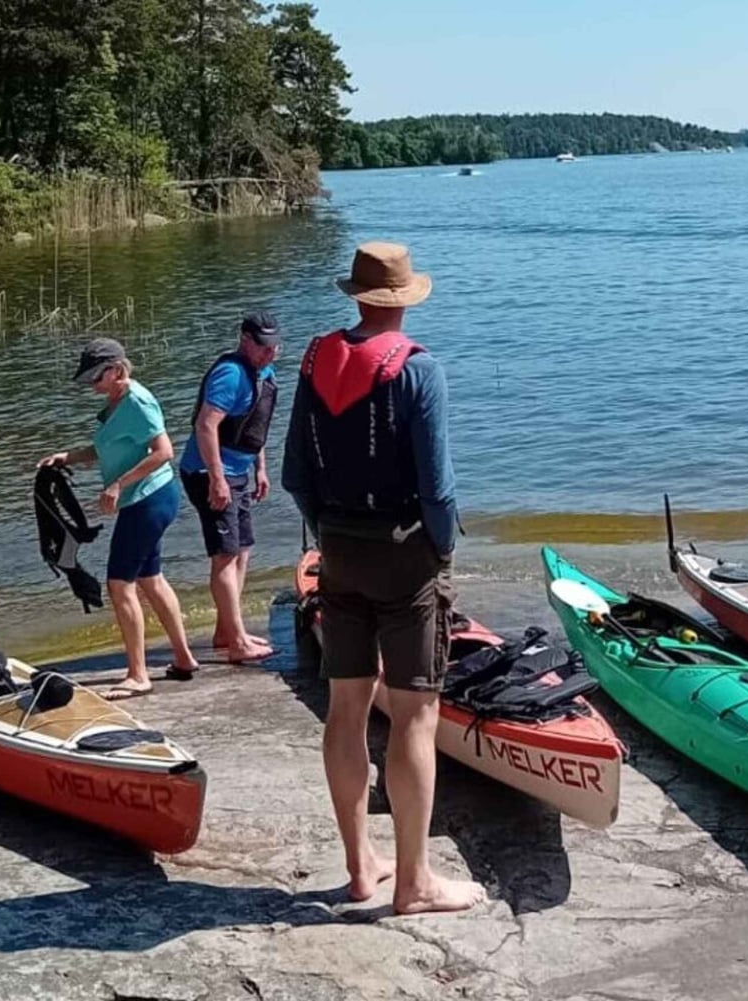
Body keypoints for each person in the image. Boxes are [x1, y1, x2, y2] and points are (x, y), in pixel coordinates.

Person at [282, 242, 485, 915]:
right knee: (415, 713)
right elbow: (439, 486)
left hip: (338, 550)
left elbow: (295, 476)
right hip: (406, 559)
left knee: (345, 706)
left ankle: (359, 866)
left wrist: (330, 533)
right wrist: (442, 550)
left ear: (357, 296)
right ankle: (415, 881)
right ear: (403, 299)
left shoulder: (315, 360)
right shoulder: (419, 370)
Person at [38, 338, 200, 700]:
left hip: (149, 500)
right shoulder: (116, 403)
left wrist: (117, 485)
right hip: (146, 500)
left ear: (116, 370)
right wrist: (66, 457)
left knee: (119, 583)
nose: (92, 385)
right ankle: (184, 658)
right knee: (150, 577)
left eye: (96, 377)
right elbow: (107, 448)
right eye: (88, 380)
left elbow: (164, 452)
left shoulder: (138, 401)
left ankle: (138, 674)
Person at [178, 311, 281, 666]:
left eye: (275, 347)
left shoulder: (263, 371)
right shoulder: (230, 374)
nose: (270, 354)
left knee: (243, 549)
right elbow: (207, 426)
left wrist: (261, 469)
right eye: (264, 347)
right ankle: (236, 642)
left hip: (239, 471)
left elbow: (256, 425)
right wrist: (218, 479)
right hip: (209, 473)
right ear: (245, 341)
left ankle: (226, 630)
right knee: (224, 554)